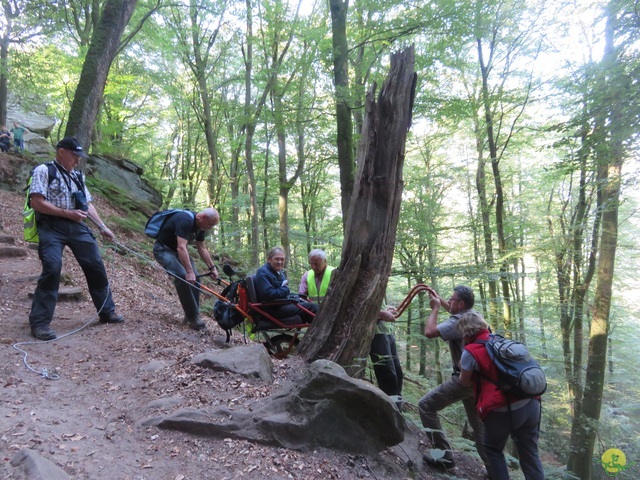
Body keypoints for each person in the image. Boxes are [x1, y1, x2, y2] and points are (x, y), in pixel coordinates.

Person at [28, 137, 123, 341]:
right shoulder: (44, 171)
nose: (77, 160)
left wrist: (103, 227)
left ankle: (107, 312)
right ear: (61, 151)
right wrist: (66, 213)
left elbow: (87, 204)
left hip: (77, 226)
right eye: (74, 155)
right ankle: (40, 323)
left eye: (79, 157)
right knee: (52, 267)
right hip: (51, 226)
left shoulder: (78, 176)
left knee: (95, 265)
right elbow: (37, 202)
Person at [458, 311, 545, 480]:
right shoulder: (500, 341)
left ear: (464, 331)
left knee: (492, 449)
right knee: (530, 453)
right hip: (531, 402)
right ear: (484, 325)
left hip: (502, 409)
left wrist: (464, 366)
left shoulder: (471, 350)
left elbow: (464, 382)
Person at [418, 285, 490, 471]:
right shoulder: (474, 315)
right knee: (479, 425)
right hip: (479, 380)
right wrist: (438, 298)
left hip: (463, 379)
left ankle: (444, 456)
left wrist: (434, 308)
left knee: (426, 406)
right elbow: (452, 310)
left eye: (452, 299)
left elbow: (430, 332)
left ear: (461, 303)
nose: (448, 302)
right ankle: (494, 469)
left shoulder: (457, 322)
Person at [153, 207, 220, 330]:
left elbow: (202, 248)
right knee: (183, 277)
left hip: (177, 252)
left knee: (196, 280)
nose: (210, 228)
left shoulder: (200, 226)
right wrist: (189, 272)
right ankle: (193, 318)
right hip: (163, 249)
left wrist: (212, 268)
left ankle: (192, 314)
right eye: (210, 224)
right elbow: (181, 247)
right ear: (204, 217)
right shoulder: (185, 219)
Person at [254, 246, 318, 323]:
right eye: (277, 259)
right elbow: (268, 294)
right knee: (313, 307)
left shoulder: (277, 271)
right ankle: (319, 332)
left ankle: (313, 332)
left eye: (282, 259)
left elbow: (279, 290)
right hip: (273, 309)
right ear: (269, 259)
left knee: (308, 304)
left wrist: (295, 297)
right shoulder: (263, 273)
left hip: (281, 304)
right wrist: (285, 289)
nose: (280, 262)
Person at [370, 305, 404, 398]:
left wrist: (386, 309)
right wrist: (380, 313)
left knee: (398, 375)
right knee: (389, 377)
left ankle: (396, 409)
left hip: (388, 332)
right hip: (376, 334)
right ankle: (388, 410)